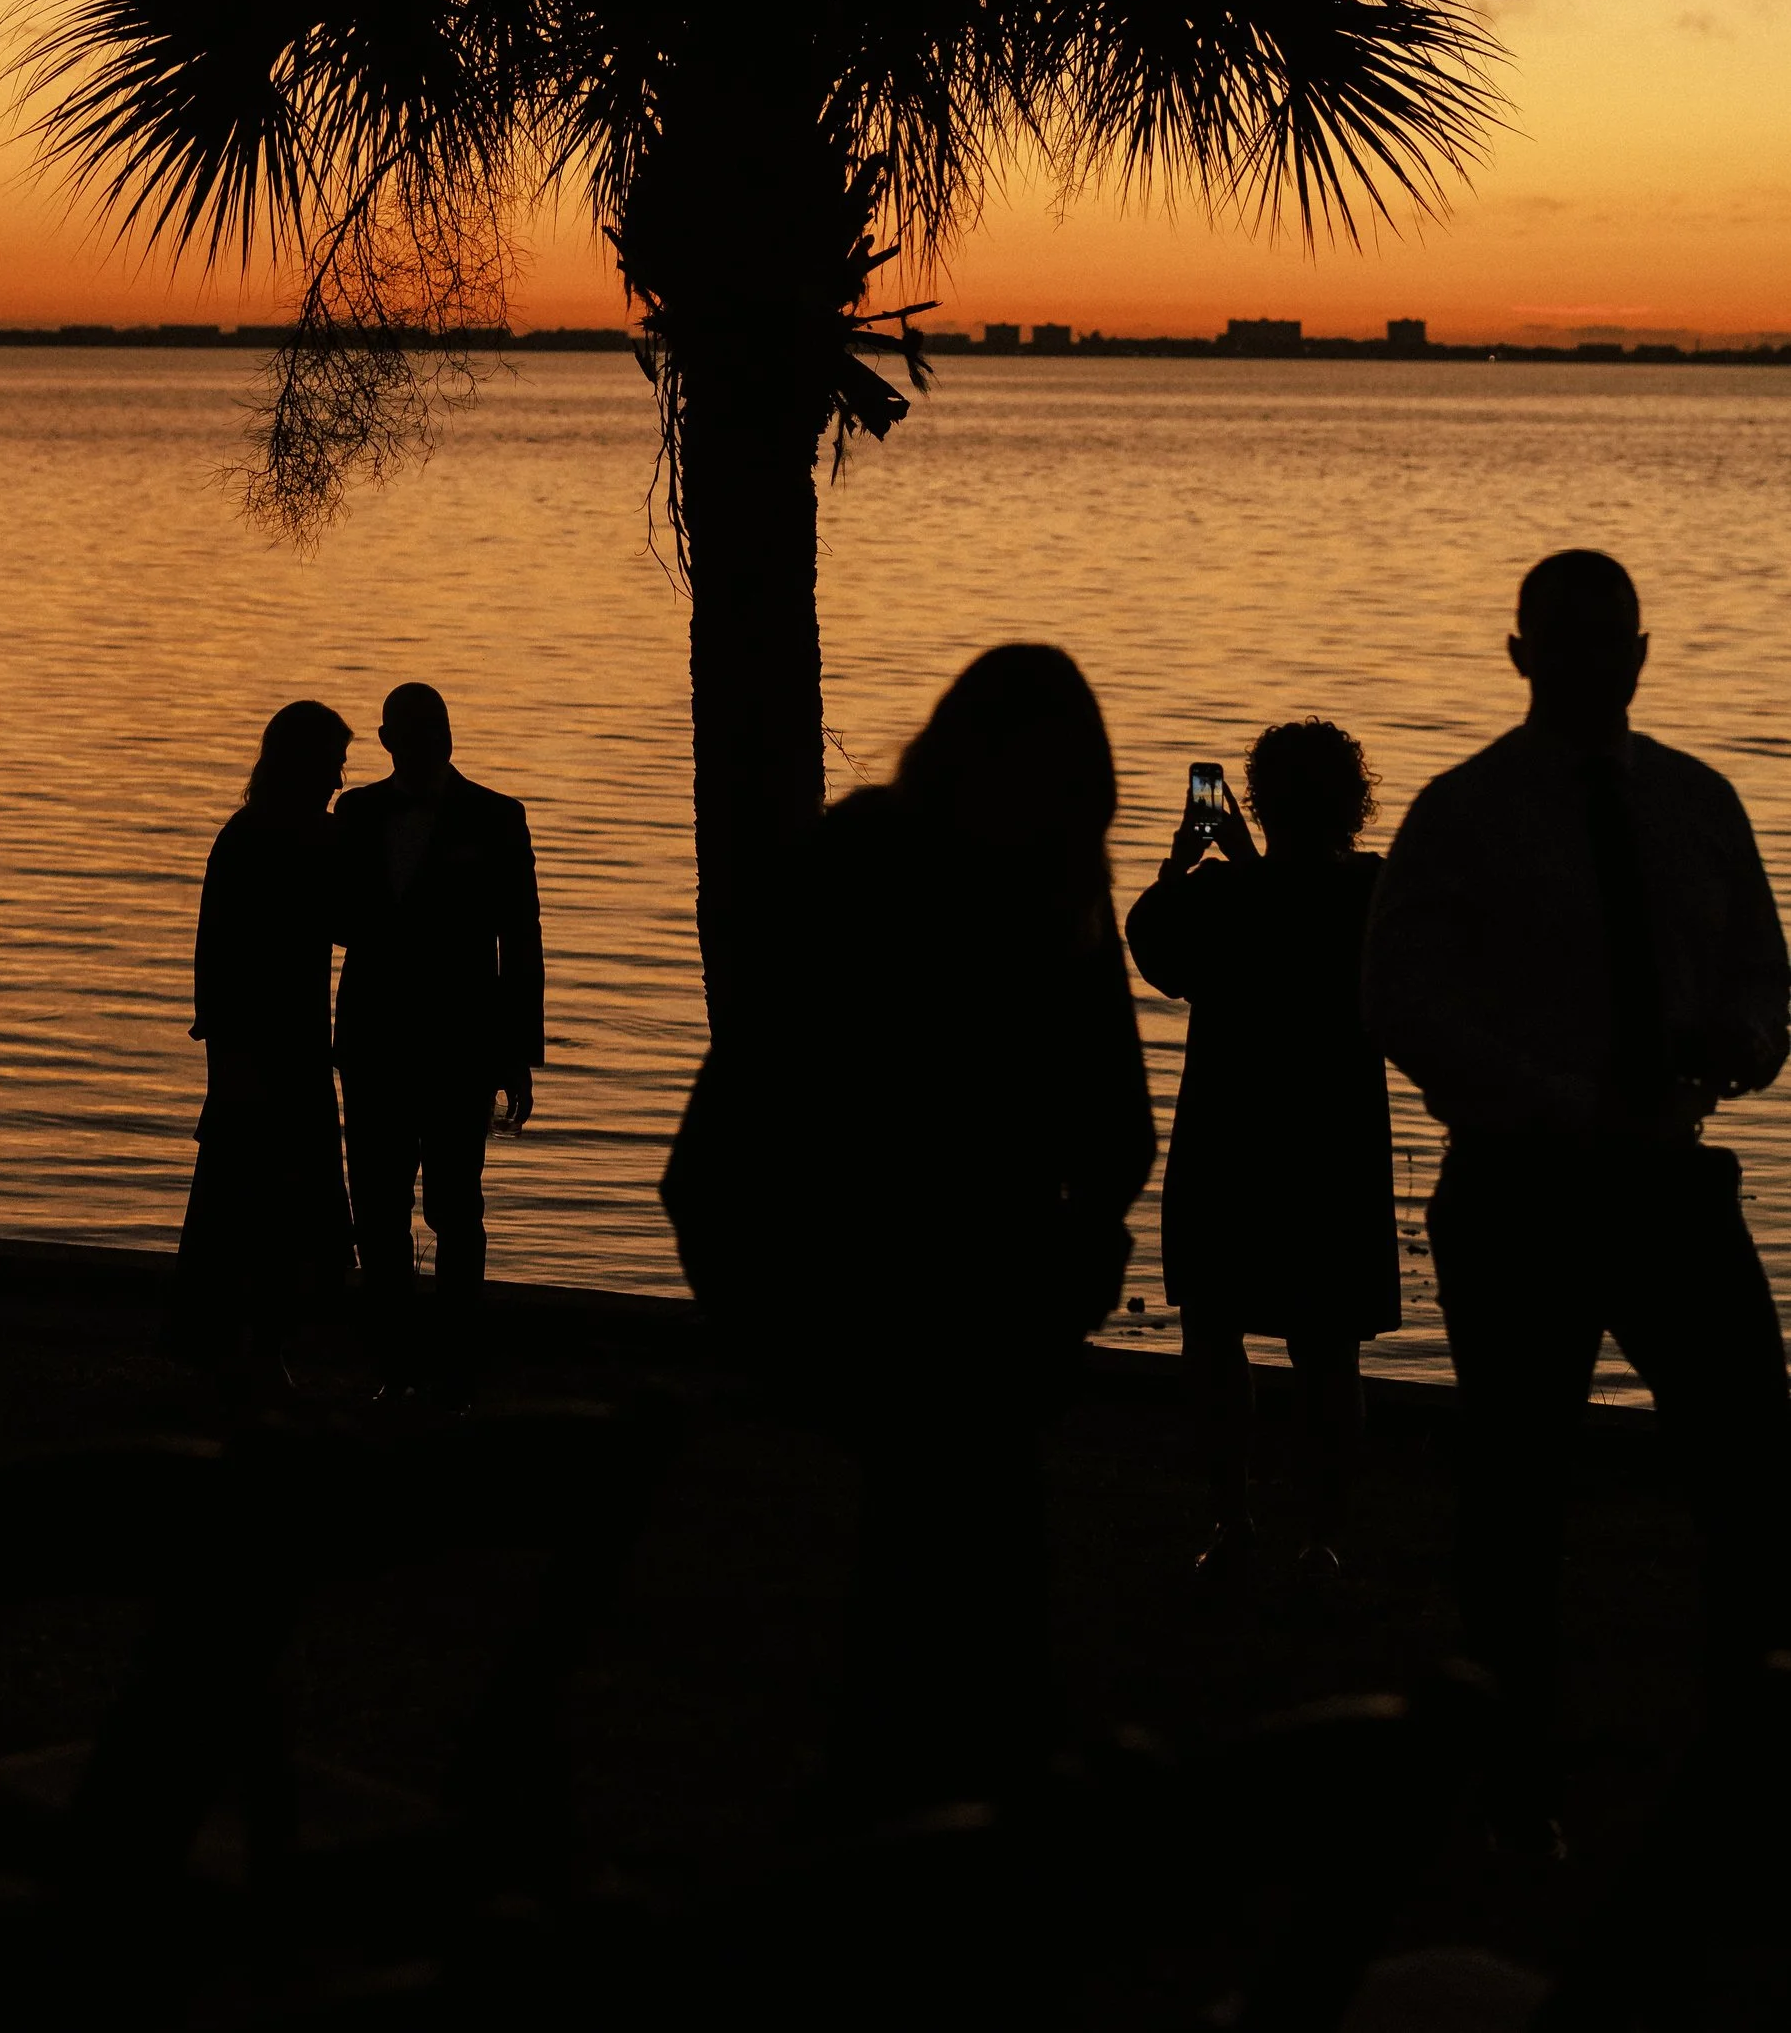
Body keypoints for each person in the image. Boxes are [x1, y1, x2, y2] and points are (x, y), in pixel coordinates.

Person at [664, 643, 1155, 1809]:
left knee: (951, 1527)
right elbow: (1114, 1130)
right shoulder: (990, 885)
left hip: (939, 1285)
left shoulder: (933, 869)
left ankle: (918, 1773)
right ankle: (945, 1775)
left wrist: (1074, 1255)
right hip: (894, 1278)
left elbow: (1116, 1128)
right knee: (964, 1525)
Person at [1363, 550, 1791, 1829]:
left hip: (1668, 1173)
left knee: (1751, 1469)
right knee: (1516, 1485)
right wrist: (1550, 1095)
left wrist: (1741, 1042)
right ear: (1522, 652)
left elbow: (1763, 972)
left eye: (1612, 635)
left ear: (1641, 651)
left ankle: (1748, 1744)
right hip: (1520, 1189)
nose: (1596, 657)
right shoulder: (1464, 810)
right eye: (1569, 635)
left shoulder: (1698, 800)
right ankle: (1507, 1757)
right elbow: (1397, 997)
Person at [1126, 720, 1399, 1586]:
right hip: (1334, 1144)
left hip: (1231, 1136)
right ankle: (1321, 1535)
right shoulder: (1375, 893)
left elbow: (1154, 942)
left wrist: (1185, 863)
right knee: (1330, 1350)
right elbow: (1324, 918)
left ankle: (1232, 1519)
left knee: (1214, 1331)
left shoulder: (1218, 898)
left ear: (1257, 800)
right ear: (1354, 803)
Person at [328, 683, 545, 1403]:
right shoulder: (354, 814)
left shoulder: (496, 818)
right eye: (417, 730)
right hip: (372, 1045)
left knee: (457, 1207)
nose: (431, 740)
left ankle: (455, 1363)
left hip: (459, 1048)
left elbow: (521, 942)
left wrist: (516, 1053)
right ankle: (393, 1363)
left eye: (439, 727)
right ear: (389, 741)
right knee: (379, 1211)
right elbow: (333, 917)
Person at [174, 700, 356, 1390]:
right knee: (260, 1196)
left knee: (259, 1196)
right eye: (334, 765)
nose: (339, 781)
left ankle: (247, 1341)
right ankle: (245, 1341)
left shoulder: (268, 834)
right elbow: (221, 953)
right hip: (264, 1045)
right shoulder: (265, 839)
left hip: (284, 1042)